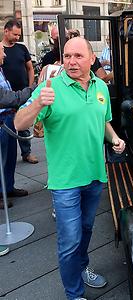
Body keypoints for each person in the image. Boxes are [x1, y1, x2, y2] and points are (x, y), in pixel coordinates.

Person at [14, 36, 125, 300]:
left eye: (77, 56)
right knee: (70, 241)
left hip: (95, 176)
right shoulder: (51, 88)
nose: (71, 62)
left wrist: (115, 138)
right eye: (67, 56)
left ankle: (83, 266)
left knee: (86, 231)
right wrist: (39, 102)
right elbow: (19, 122)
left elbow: (102, 122)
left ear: (91, 59)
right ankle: (74, 294)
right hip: (65, 182)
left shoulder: (100, 87)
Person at [0, 41, 35, 255]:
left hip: (7, 120)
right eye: (1, 51)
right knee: (2, 159)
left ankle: (8, 188)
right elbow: (6, 97)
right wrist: (30, 92)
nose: (4, 54)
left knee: (10, 157)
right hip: (2, 119)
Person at [1, 19, 38, 164]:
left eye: (19, 35)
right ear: (6, 31)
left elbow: (30, 68)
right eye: (15, 34)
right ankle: (7, 155)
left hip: (23, 94)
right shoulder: (0, 50)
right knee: (8, 128)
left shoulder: (22, 48)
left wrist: (29, 87)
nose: (17, 37)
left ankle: (26, 153)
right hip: (6, 97)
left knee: (24, 125)